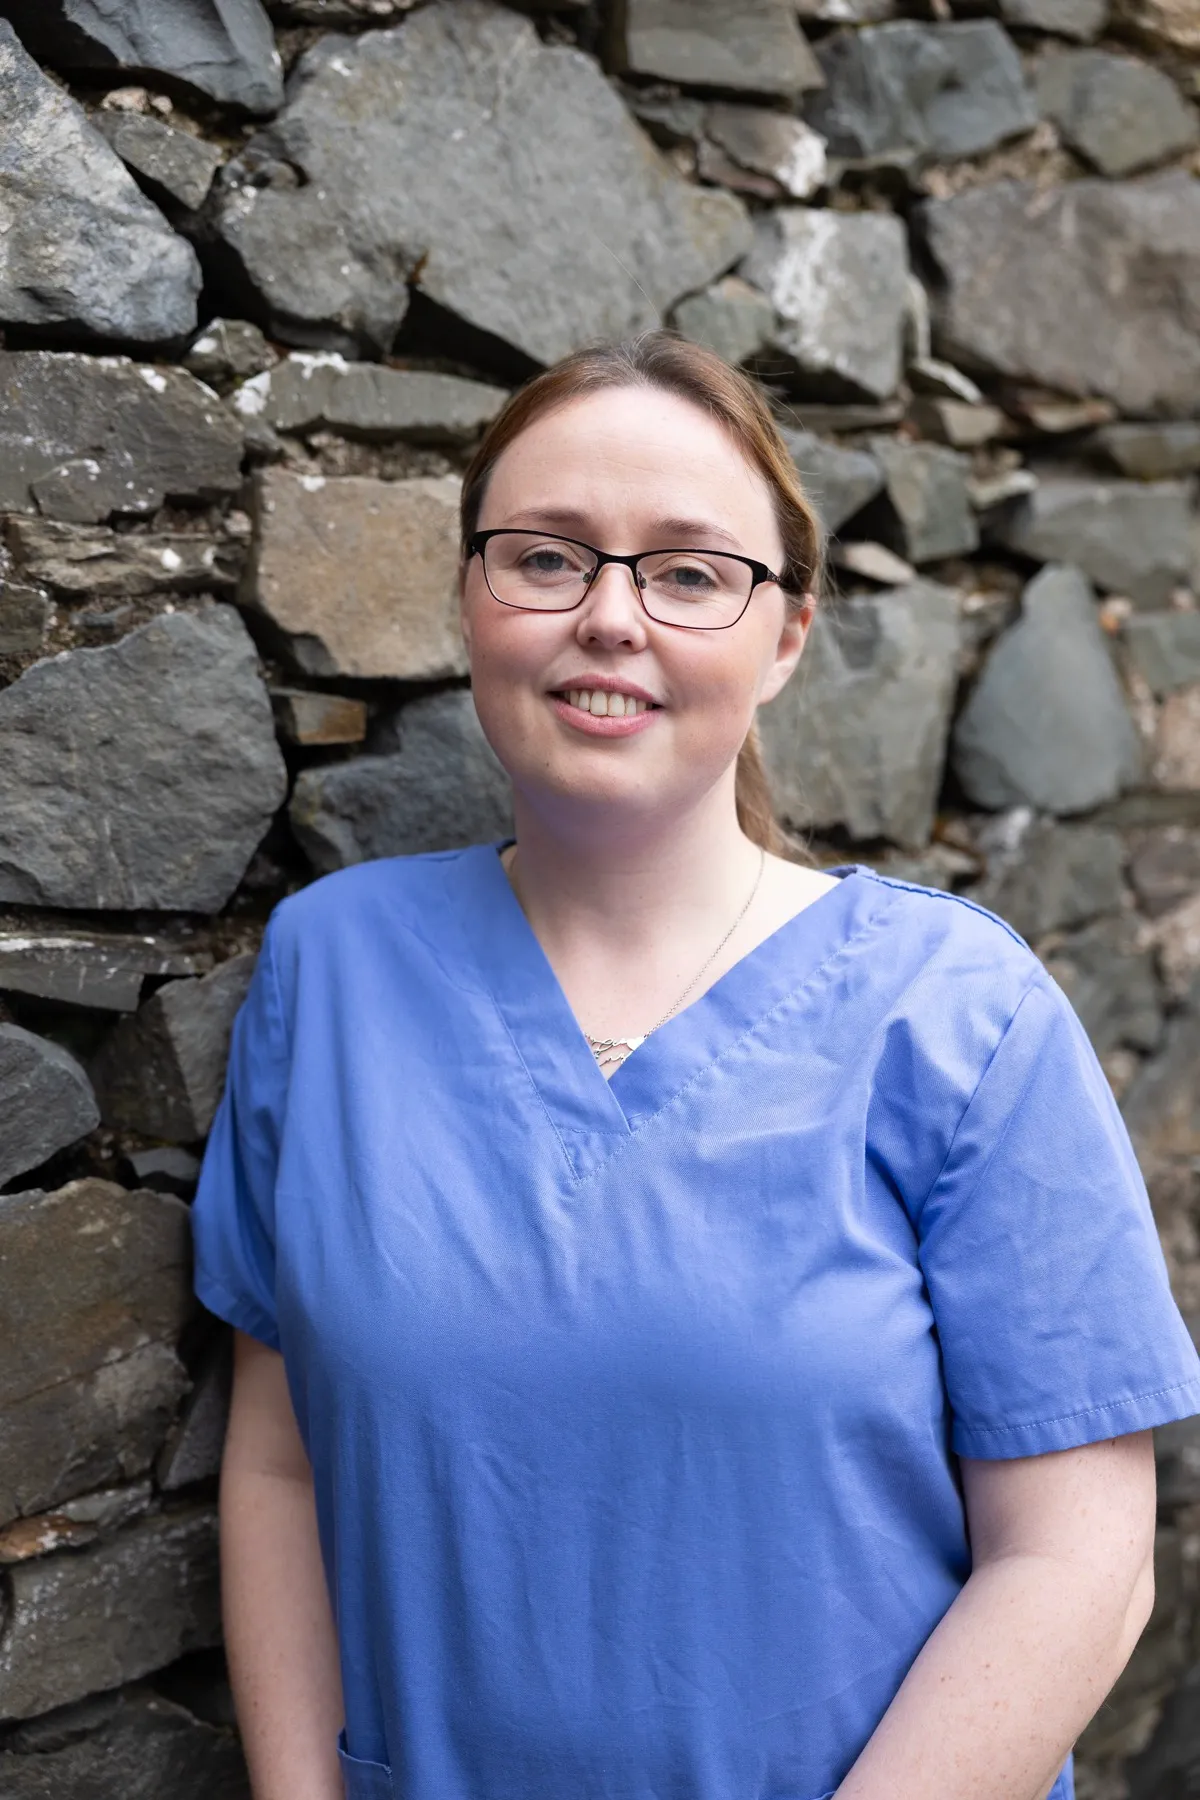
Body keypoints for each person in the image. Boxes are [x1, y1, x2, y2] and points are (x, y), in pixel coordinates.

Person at [191, 331, 1200, 1800]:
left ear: (784, 634)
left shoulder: (957, 1015)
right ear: (474, 600)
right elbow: (284, 1468)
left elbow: (1079, 1563)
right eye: (546, 557)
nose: (611, 616)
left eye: (687, 570)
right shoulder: (331, 972)